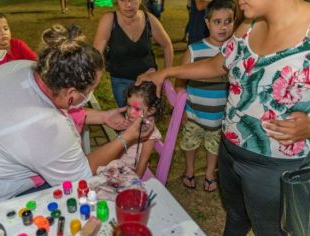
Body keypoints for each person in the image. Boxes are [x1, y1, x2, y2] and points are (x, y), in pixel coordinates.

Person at [0, 23, 154, 234]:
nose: (89, 96)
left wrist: (103, 116)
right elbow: (82, 173)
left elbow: (56, 108)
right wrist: (126, 139)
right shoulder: (45, 128)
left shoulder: (26, 69)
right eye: (91, 89)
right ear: (72, 94)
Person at [137, 0, 310, 235]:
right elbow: (218, 65)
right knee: (236, 216)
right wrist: (167, 72)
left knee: (270, 230)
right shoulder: (249, 23)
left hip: (274, 165)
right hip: (229, 151)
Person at [176, 0, 235, 192]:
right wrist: (181, 110)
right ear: (207, 23)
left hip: (219, 117)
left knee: (214, 148)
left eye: (228, 21)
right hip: (194, 114)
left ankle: (210, 173)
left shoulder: (234, 51)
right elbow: (180, 81)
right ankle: (190, 170)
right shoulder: (194, 50)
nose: (223, 27)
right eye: (217, 22)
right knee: (189, 144)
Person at [93, 0, 173, 108]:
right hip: (121, 81)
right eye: (123, 0)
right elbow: (96, 55)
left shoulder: (149, 19)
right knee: (129, 117)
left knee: (148, 118)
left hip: (148, 81)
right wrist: (93, 81)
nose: (128, 5)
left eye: (132, 0)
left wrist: (166, 74)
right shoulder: (109, 20)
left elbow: (167, 45)